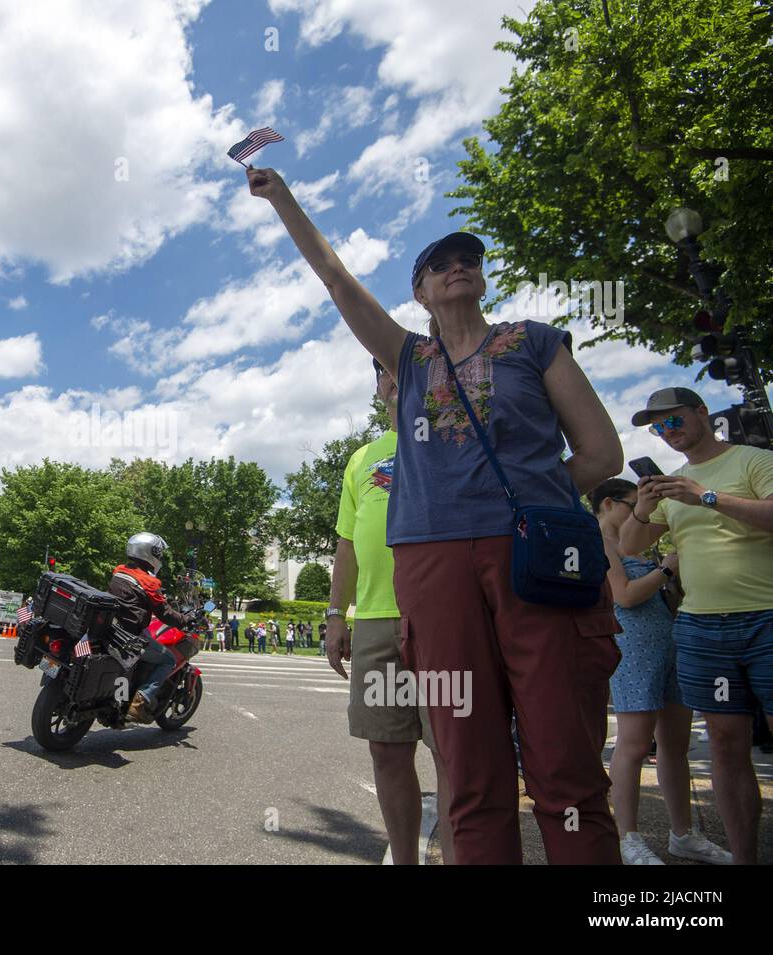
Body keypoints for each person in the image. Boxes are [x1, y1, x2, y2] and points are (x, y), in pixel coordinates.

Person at [252, 166, 625, 864]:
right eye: (438, 265)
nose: (456, 268)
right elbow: (335, 279)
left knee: (565, 766)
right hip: (432, 567)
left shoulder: (534, 343)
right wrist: (282, 198)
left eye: (467, 260)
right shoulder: (409, 358)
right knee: (471, 772)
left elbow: (602, 453)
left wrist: (531, 501)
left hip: (531, 565)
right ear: (419, 293)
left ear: (483, 277)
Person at [619, 387, 773, 866]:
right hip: (704, 629)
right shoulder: (673, 484)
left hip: (766, 618)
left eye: (675, 419)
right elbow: (629, 544)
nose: (668, 431)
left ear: (703, 414)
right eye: (659, 427)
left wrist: (705, 496)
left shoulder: (752, 461)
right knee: (727, 747)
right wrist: (644, 507)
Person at [330, 356, 455, 864]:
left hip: (446, 618)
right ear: (379, 387)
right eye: (383, 369)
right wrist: (336, 615)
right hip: (377, 622)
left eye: (406, 366)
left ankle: (460, 854)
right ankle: (405, 859)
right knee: (386, 748)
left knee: (451, 751)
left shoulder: (457, 440)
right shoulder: (362, 458)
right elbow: (346, 545)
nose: (394, 377)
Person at [591, 478, 730, 864]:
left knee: (675, 745)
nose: (641, 511)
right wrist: (667, 570)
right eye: (632, 504)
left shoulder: (638, 540)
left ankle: (683, 833)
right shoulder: (598, 542)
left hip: (668, 642)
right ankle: (628, 837)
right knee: (633, 745)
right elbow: (625, 595)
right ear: (607, 504)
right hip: (632, 647)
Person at [108, 532, 195, 723]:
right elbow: (165, 614)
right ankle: (140, 700)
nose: (160, 557)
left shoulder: (119, 571)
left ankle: (124, 692)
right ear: (150, 553)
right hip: (131, 635)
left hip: (111, 630)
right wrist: (185, 619)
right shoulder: (149, 582)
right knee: (167, 660)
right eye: (158, 552)